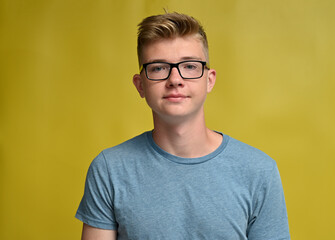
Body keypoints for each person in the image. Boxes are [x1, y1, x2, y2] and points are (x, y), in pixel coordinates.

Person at [75, 12, 290, 240]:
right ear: (140, 85)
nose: (175, 79)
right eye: (158, 68)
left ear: (209, 80)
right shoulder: (109, 170)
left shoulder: (259, 171)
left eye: (189, 66)